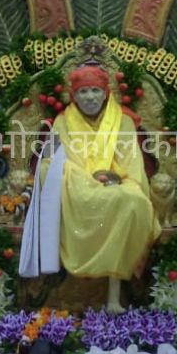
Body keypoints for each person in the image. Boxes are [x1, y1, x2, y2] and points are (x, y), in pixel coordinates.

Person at [19, 65, 161, 313]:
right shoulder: (62, 122)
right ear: (74, 96)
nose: (90, 97)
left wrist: (114, 177)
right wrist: (85, 178)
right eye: (83, 92)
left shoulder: (123, 121)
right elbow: (53, 162)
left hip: (115, 186)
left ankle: (114, 298)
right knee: (50, 170)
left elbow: (132, 164)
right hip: (77, 189)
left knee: (134, 201)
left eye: (95, 90)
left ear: (106, 93)